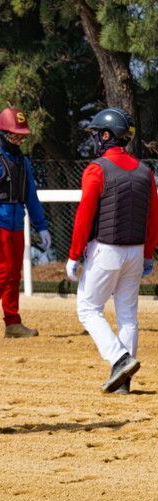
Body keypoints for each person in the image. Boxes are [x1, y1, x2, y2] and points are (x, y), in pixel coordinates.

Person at [66, 107, 158, 394]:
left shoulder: (97, 169)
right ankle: (123, 384)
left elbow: (84, 216)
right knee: (128, 315)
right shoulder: (146, 172)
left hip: (105, 251)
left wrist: (73, 254)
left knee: (88, 309)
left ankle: (119, 359)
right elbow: (153, 217)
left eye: (97, 134)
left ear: (107, 135)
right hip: (135, 252)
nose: (95, 139)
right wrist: (147, 254)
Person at [0, 107, 51, 337]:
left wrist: (42, 226)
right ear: (3, 133)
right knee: (4, 270)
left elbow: (32, 197)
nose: (18, 139)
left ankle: (13, 322)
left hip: (18, 224)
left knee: (14, 273)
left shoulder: (24, 162)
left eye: (21, 135)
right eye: (14, 135)